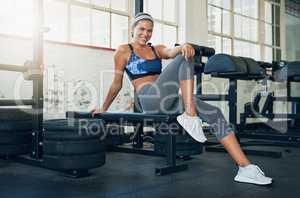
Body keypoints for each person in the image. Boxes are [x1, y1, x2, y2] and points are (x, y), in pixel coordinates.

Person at [92, 12, 272, 185]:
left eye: (149, 30)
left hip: (167, 98)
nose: (145, 34)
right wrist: (104, 107)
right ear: (133, 29)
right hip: (148, 98)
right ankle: (190, 114)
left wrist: (182, 46)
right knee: (186, 57)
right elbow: (117, 83)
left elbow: (172, 51)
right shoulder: (124, 50)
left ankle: (245, 168)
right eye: (142, 29)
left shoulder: (157, 49)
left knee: (214, 113)